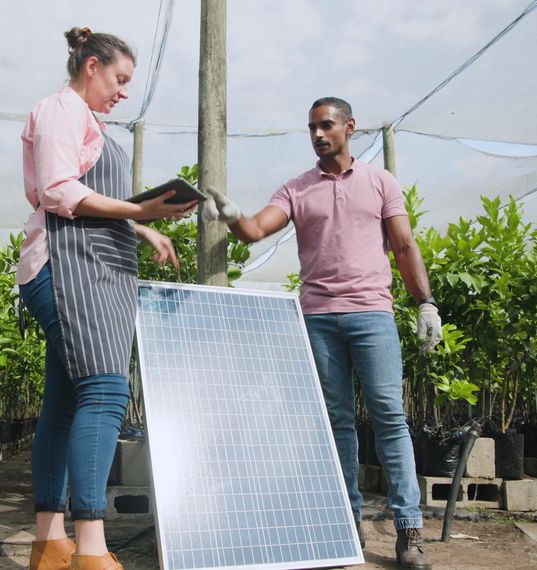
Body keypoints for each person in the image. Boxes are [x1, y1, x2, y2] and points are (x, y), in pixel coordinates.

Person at [205, 97, 442, 570]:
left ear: (349, 127)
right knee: (336, 424)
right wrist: (233, 214)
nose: (317, 134)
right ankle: (345, 524)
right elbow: (254, 231)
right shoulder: (297, 189)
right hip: (317, 318)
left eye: (326, 125)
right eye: (311, 127)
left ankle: (409, 531)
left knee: (390, 419)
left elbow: (404, 244)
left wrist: (426, 303)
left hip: (372, 314)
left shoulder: (380, 182)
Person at [17, 27, 198, 570]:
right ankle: (91, 551)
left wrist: (144, 229)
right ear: (91, 66)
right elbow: (58, 191)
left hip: (90, 268)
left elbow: (90, 197)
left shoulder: (88, 123)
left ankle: (50, 544)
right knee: (105, 392)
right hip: (69, 269)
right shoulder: (60, 110)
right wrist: (141, 213)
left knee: (65, 405)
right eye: (120, 79)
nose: (124, 91)